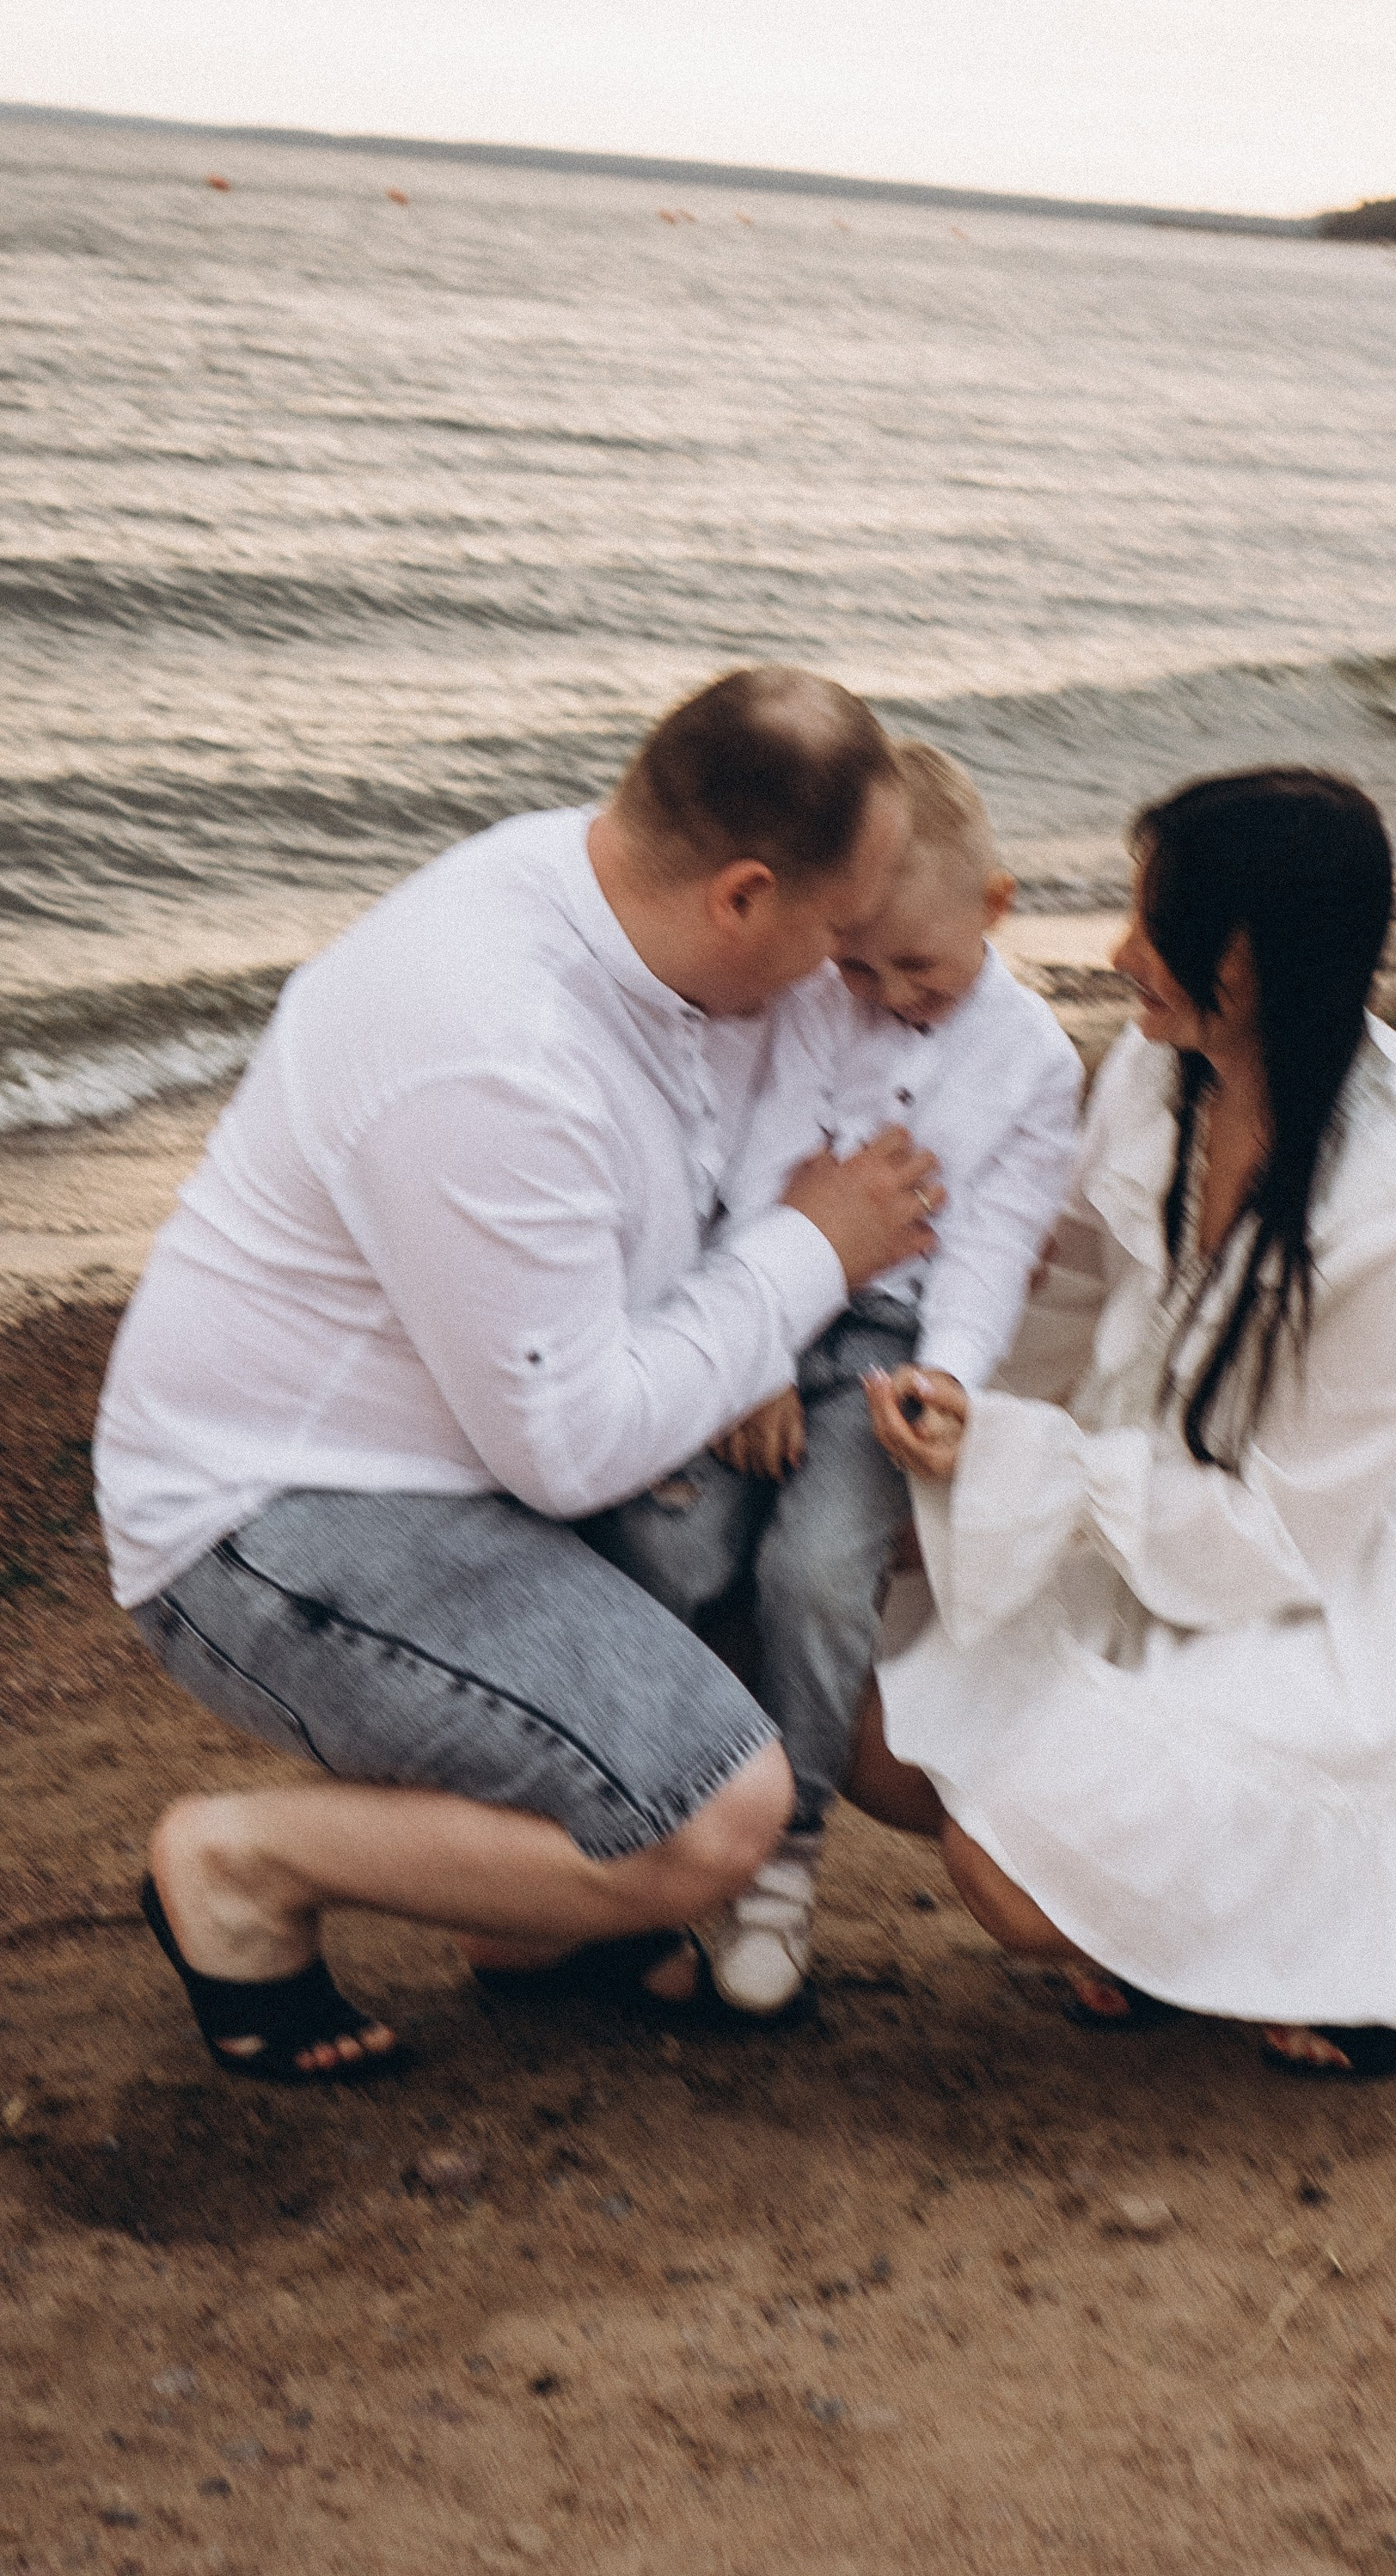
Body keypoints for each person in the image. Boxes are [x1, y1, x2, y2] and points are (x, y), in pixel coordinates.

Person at [94, 667, 946, 2083]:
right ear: (742, 895)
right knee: (709, 1809)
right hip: (278, 1522)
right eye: (837, 937)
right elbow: (575, 1441)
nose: (843, 978)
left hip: (473, 1465)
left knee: (795, 1592)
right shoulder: (492, 1042)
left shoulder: (652, 928)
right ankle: (240, 1867)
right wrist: (818, 1250)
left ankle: (528, 1921)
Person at [855, 766, 1396, 2077]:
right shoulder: (1160, 1072)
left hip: (1361, 1572)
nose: (1119, 953)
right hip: (1168, 1476)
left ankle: (1387, 1961)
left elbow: (1283, 1531)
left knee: (1011, 1876)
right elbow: (1075, 1285)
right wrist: (956, 1406)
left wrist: (1027, 1470)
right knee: (875, 1730)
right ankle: (1180, 1934)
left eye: (1154, 926)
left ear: (1243, 964)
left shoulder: (1395, 1207)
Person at [585, 742, 1081, 2014]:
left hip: (888, 1354)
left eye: (916, 966)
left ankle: (781, 1858)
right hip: (761, 1309)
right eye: (857, 961)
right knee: (679, 1548)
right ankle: (651, 1814)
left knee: (815, 1571)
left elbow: (992, 1244)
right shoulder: (817, 1003)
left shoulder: (1032, 1064)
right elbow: (756, 1169)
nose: (884, 992)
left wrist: (951, 1381)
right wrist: (750, 1347)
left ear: (996, 907)